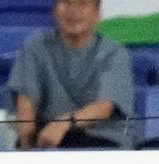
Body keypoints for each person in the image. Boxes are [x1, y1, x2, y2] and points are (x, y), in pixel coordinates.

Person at [10, 0, 136, 150]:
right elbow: (26, 102)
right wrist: (27, 150)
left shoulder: (114, 52)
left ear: (97, 15)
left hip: (104, 140)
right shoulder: (35, 46)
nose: (73, 11)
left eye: (83, 4)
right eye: (66, 3)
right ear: (54, 11)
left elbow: (105, 106)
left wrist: (64, 124)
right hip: (50, 142)